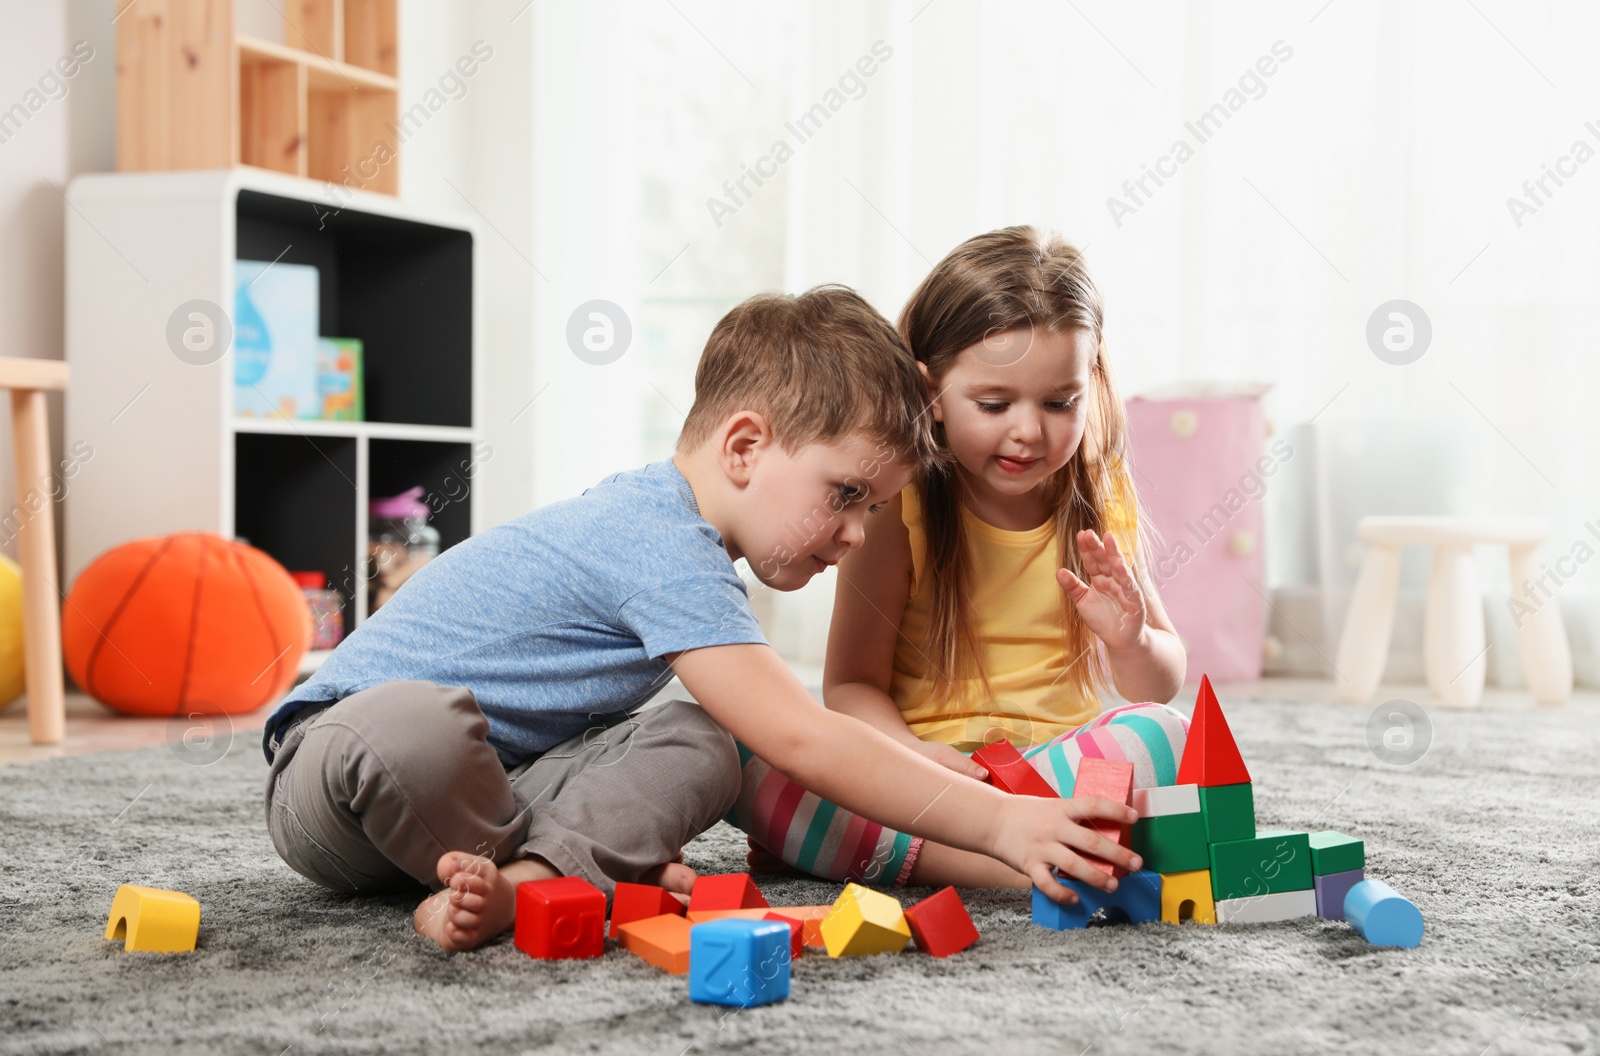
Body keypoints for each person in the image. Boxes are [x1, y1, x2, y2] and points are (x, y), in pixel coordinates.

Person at [260, 283, 1142, 952]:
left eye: (873, 507)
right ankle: (578, 865)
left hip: (498, 788)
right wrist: (999, 823)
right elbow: (802, 736)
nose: (856, 533)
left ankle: (529, 883)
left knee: (700, 742)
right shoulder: (655, 534)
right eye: (845, 494)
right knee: (418, 721)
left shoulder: (698, 557)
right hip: (337, 772)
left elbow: (760, 739)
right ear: (746, 446)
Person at [733, 228, 1189, 899]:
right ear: (931, 392)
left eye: (1059, 402)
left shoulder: (1097, 494)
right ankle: (1004, 859)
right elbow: (852, 686)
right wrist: (916, 759)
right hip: (920, 780)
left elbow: (1161, 682)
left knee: (1164, 736)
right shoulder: (897, 502)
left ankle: (940, 852)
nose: (1029, 430)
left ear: (1089, 385)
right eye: (994, 403)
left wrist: (1133, 639)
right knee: (742, 747)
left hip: (1047, 776)